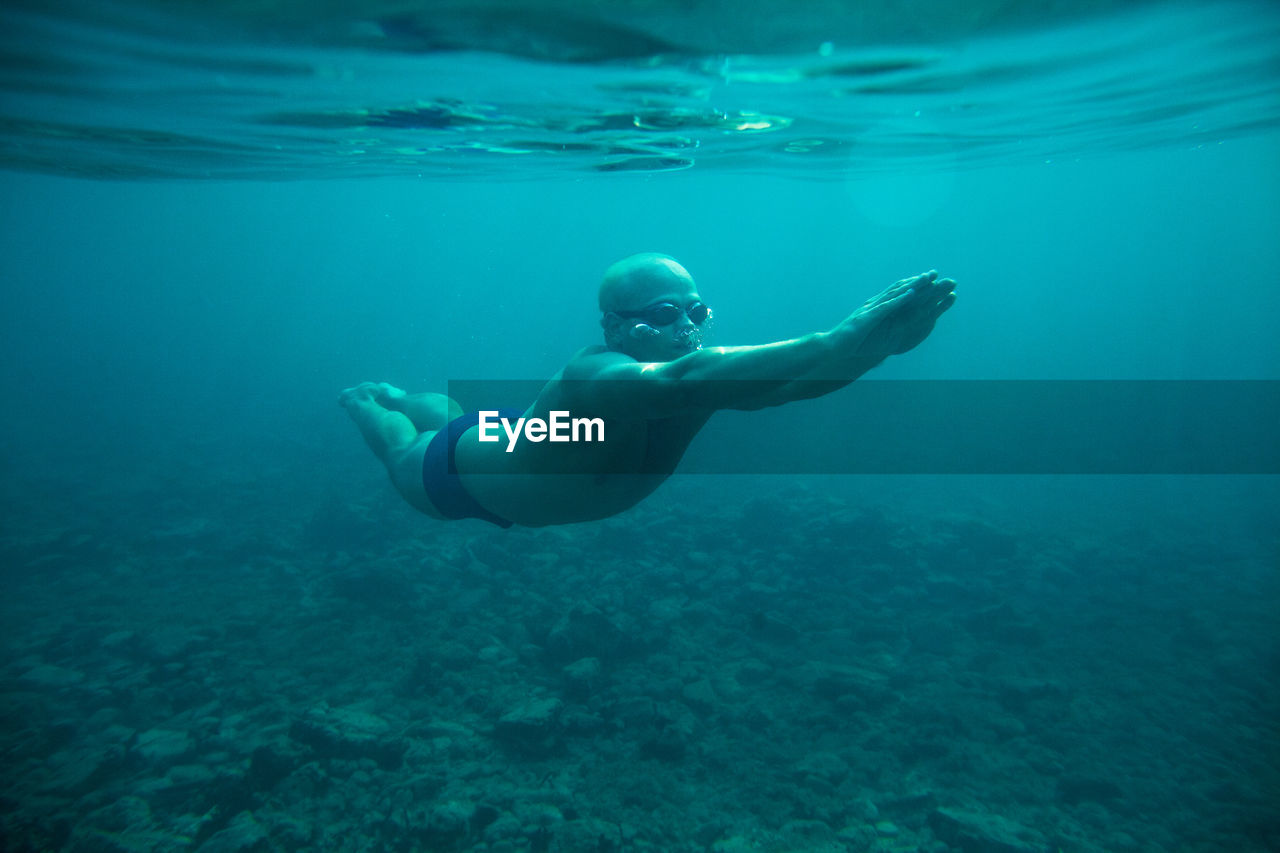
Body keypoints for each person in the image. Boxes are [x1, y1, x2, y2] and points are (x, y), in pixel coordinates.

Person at [340, 253, 956, 527]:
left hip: (527, 436)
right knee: (403, 446)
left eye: (696, 311)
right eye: (663, 314)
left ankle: (407, 397)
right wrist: (837, 337)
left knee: (463, 418)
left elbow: (781, 390)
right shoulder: (595, 371)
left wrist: (877, 351)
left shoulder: (696, 373)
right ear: (615, 326)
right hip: (454, 478)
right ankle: (371, 400)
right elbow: (677, 381)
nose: (685, 328)